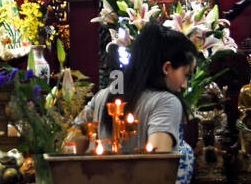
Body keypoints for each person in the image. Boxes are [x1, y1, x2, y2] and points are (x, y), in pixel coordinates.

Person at [68, 22, 198, 153]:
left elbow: (68, 150)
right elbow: (158, 164)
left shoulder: (103, 96)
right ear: (166, 68)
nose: (184, 85)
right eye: (186, 75)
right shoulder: (166, 102)